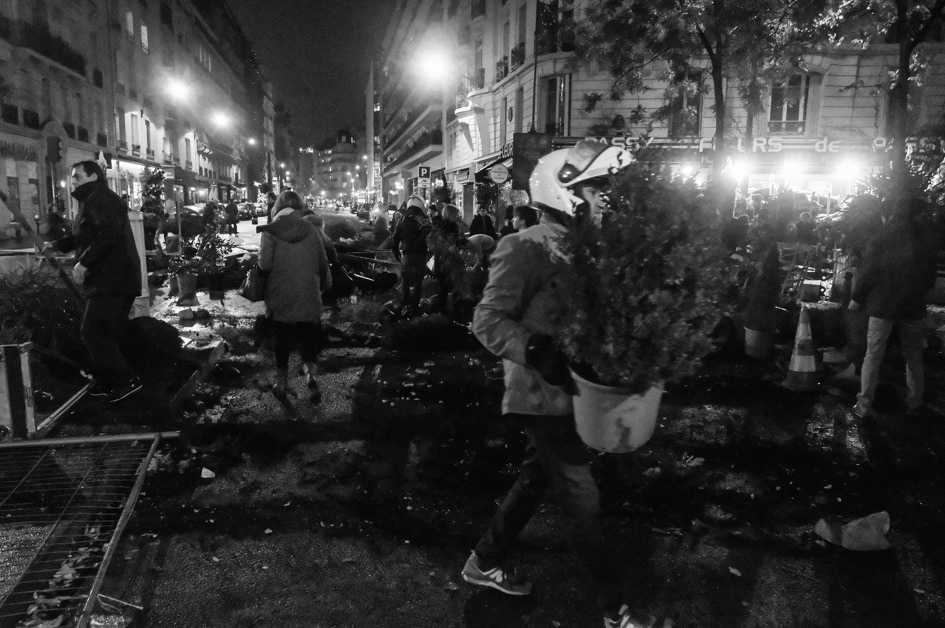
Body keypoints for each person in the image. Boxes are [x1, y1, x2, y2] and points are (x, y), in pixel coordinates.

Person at [463, 141, 672, 628]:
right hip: (540, 396)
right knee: (582, 501)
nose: (604, 199)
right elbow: (487, 319)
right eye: (595, 189)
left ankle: (482, 561)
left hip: (579, 398)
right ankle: (616, 610)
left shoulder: (590, 251)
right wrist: (536, 350)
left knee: (538, 478)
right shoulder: (525, 245)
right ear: (564, 192)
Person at [46, 161, 143, 403]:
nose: (73, 181)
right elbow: (87, 234)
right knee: (107, 333)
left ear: (92, 176)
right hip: (116, 278)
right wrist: (59, 245)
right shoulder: (95, 199)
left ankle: (126, 381)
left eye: (77, 176)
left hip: (112, 279)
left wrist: (84, 263)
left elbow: (109, 232)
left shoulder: (99, 198)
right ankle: (113, 382)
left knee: (93, 331)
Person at [850, 198, 939, 419]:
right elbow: (930, 276)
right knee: (914, 356)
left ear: (890, 214)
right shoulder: (925, 239)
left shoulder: (883, 236)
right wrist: (917, 293)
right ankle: (914, 402)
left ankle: (864, 405)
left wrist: (857, 297)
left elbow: (869, 270)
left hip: (884, 306)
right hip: (913, 307)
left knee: (873, 356)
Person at [258, 190, 332, 403]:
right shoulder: (310, 228)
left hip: (281, 295)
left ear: (277, 208)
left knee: (282, 339)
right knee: (309, 337)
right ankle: (310, 375)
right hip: (309, 292)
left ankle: (281, 384)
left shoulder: (271, 231)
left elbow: (265, 264)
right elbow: (322, 260)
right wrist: (323, 284)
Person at [390, 194, 430, 316]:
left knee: (405, 281)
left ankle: (404, 306)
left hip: (407, 255)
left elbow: (395, 238)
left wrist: (396, 252)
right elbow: (430, 238)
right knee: (418, 283)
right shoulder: (424, 220)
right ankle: (414, 308)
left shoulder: (402, 219)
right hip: (420, 255)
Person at [430, 203, 464, 313]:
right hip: (450, 261)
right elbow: (456, 244)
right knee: (456, 287)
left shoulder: (438, 226)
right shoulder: (453, 227)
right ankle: (455, 312)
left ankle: (441, 313)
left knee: (443, 288)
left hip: (439, 260)